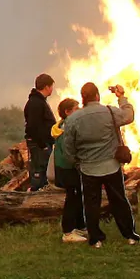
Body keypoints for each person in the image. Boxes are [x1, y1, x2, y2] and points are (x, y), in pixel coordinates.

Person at [60, 83, 139, 247]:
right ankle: (129, 235)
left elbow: (68, 147)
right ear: (97, 96)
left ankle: (96, 239)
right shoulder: (109, 112)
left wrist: (77, 162)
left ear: (83, 98)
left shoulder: (74, 119)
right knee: (119, 201)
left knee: (91, 204)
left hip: (88, 168)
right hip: (111, 165)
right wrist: (122, 97)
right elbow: (128, 115)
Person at [50, 99, 84, 243]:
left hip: (65, 167)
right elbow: (69, 152)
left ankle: (79, 226)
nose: (80, 110)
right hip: (68, 168)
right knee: (72, 198)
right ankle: (68, 231)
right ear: (67, 112)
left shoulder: (61, 127)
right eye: (76, 108)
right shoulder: (66, 130)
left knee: (76, 197)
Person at [24, 74, 57, 191]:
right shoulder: (36, 103)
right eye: (51, 86)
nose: (52, 89)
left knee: (44, 171)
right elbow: (33, 127)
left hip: (42, 144)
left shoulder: (38, 101)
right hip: (39, 146)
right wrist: (43, 145)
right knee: (40, 171)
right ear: (46, 87)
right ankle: (36, 198)